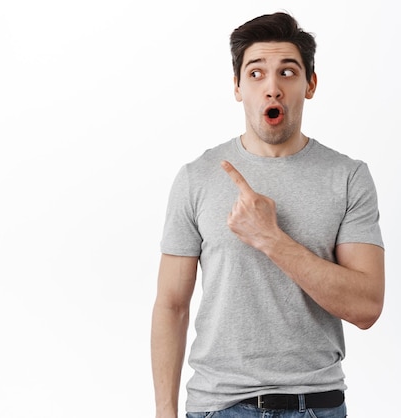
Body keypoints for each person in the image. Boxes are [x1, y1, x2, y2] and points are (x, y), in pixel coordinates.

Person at [151, 11, 384, 418]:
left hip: (317, 405)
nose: (272, 88)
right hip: (218, 407)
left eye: (288, 72)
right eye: (256, 74)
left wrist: (270, 239)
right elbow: (171, 305)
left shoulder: (348, 178)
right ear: (238, 87)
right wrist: (164, 412)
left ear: (310, 84)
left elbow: (366, 307)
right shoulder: (196, 178)